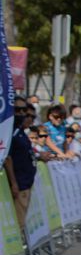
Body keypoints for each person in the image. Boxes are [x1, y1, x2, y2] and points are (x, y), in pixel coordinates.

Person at [4, 98, 36, 229]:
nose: (22, 113)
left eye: (24, 110)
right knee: (18, 223)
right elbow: (8, 157)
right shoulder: (10, 132)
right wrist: (14, 183)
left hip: (26, 182)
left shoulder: (20, 131)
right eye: (18, 110)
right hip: (19, 184)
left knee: (22, 222)